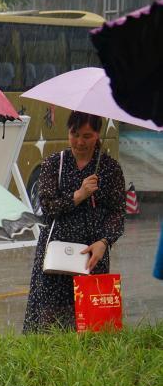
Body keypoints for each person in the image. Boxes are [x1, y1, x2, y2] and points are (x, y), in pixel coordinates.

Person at [23, 111, 125, 332]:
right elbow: (47, 208)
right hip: (56, 255)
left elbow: (118, 212)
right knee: (50, 323)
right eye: (74, 134)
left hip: (91, 256)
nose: (79, 142)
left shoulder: (110, 168)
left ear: (98, 134)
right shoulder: (54, 163)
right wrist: (79, 195)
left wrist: (104, 242)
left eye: (87, 136)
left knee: (91, 323)